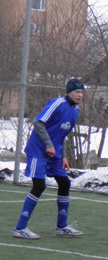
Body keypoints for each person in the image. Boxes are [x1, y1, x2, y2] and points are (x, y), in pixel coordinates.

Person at [13, 78, 85, 239]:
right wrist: (48, 145)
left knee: (65, 182)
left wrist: (64, 156)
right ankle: (20, 228)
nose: (80, 95)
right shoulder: (57, 104)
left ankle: (61, 226)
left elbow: (62, 134)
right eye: (77, 92)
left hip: (54, 154)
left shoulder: (75, 111)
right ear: (69, 92)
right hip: (39, 150)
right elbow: (38, 122)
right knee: (39, 185)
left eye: (82, 92)